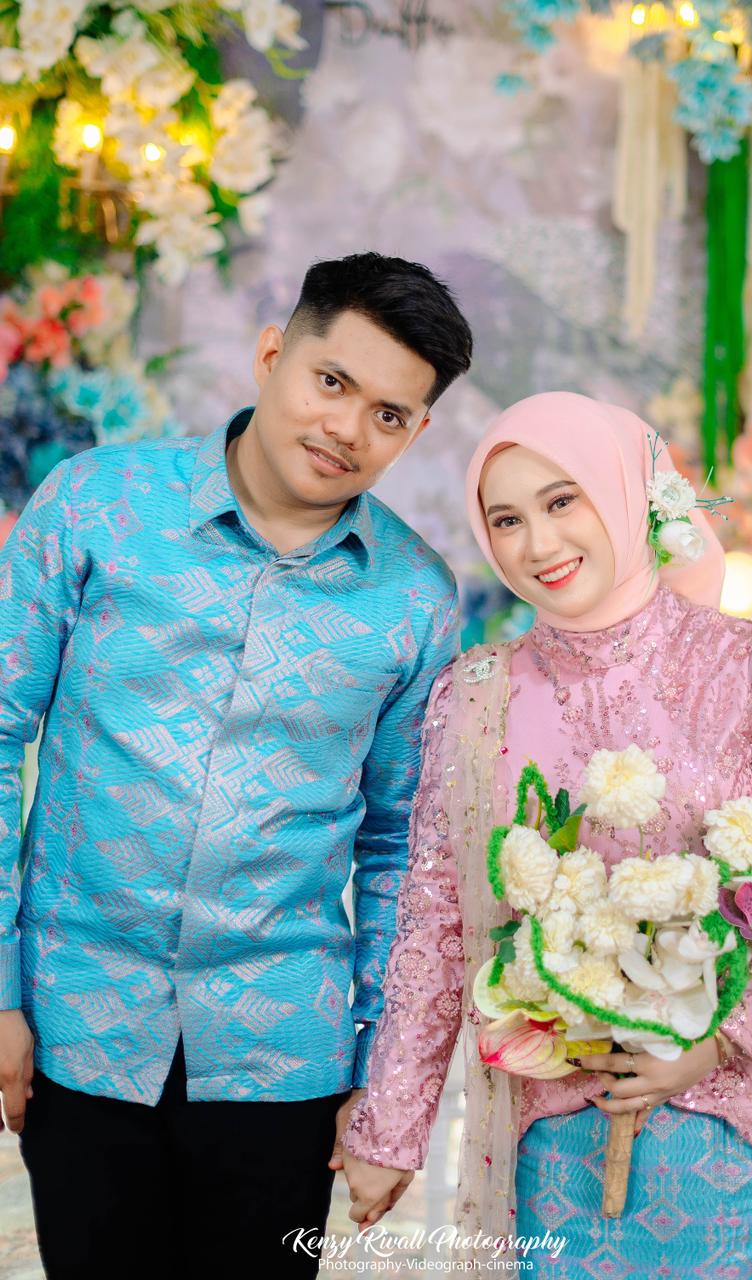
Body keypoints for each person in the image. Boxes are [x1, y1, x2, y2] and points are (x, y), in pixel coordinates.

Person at [0, 252, 473, 1279]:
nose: (346, 428)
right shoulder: (95, 505)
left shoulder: (416, 600)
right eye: (332, 381)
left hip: (284, 1057)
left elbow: (401, 847)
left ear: (417, 431)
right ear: (271, 356)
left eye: (388, 414)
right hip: (76, 1018)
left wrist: (384, 1076)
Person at [341, 392, 752, 1277]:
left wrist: (715, 1039)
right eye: (507, 519)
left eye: (561, 501)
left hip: (733, 1143)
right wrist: (390, 1129)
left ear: (627, 493)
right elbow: (435, 927)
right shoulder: (477, 697)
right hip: (551, 1145)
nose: (538, 544)